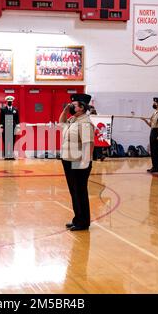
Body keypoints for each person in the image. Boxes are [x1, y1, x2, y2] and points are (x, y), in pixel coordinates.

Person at [59, 93, 95, 231]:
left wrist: (85, 163)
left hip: (79, 162)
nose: (71, 107)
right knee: (74, 192)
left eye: (73, 105)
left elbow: (89, 144)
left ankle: (83, 222)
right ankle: (77, 219)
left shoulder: (85, 123)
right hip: (68, 160)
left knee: (80, 192)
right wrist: (65, 110)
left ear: (81, 107)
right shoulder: (73, 120)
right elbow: (61, 123)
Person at [142, 97, 158, 173]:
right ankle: (154, 166)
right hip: (152, 131)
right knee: (153, 150)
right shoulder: (155, 112)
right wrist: (145, 120)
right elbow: (151, 125)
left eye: (155, 103)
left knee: (156, 151)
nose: (153, 104)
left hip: (157, 132)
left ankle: (157, 167)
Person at [0, 96, 20, 160]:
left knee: (12, 142)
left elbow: (17, 120)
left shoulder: (15, 109)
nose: (10, 103)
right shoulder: (3, 109)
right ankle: (6, 156)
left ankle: (11, 155)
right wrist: (2, 127)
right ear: (6, 102)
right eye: (9, 102)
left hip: (13, 128)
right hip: (6, 128)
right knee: (6, 142)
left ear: (12, 102)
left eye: (11, 102)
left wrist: (17, 127)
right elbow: (1, 119)